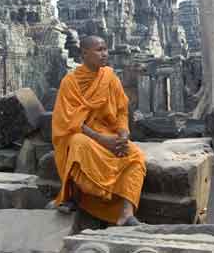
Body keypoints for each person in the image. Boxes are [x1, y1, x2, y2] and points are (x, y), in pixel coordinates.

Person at [51, 35, 146, 226]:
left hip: (109, 135)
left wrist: (123, 135)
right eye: (99, 50)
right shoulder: (70, 82)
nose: (105, 54)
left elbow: (121, 111)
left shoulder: (109, 77)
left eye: (105, 49)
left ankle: (126, 213)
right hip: (84, 135)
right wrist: (102, 140)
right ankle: (76, 197)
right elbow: (69, 122)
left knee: (135, 154)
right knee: (78, 143)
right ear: (84, 54)